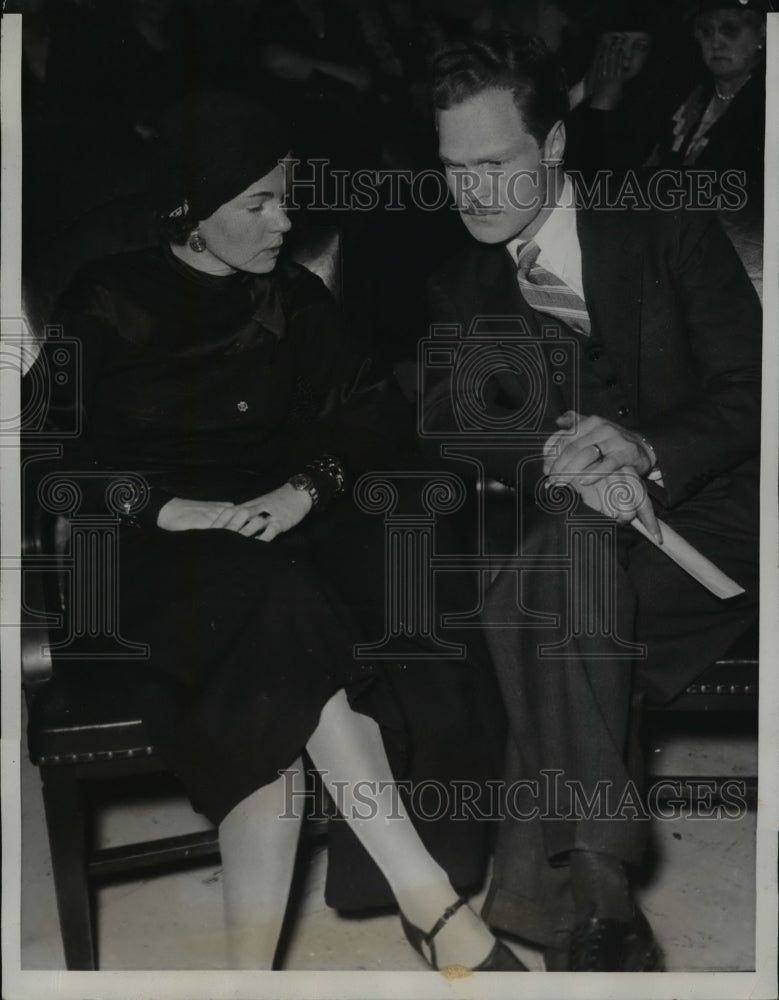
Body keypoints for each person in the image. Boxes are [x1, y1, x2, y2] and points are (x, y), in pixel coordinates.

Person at [27, 90, 521, 973]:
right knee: (276, 608)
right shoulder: (103, 298)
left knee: (285, 627)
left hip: (271, 544)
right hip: (143, 561)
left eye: (284, 196)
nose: (284, 219)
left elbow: (374, 417)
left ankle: (248, 978)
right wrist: (162, 507)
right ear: (189, 212)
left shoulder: (290, 296)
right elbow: (39, 453)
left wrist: (306, 487)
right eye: (257, 202)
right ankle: (434, 907)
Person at [421, 32, 760, 971]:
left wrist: (647, 446)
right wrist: (559, 456)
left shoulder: (665, 225)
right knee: (561, 563)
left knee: (521, 604)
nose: (473, 194)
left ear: (557, 148)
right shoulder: (459, 289)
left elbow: (753, 387)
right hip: (594, 556)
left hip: (730, 518)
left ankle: (548, 894)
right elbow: (452, 416)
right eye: (454, 170)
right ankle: (604, 908)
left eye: (495, 165)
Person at [648, 0, 767, 201]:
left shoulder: (768, 104)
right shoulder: (685, 95)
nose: (715, 42)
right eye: (706, 31)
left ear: (761, 34)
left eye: (730, 30)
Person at [565, 2, 673, 177]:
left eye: (640, 46)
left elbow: (591, 178)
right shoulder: (559, 86)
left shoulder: (644, 112)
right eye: (618, 40)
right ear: (595, 42)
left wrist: (602, 106)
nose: (628, 54)